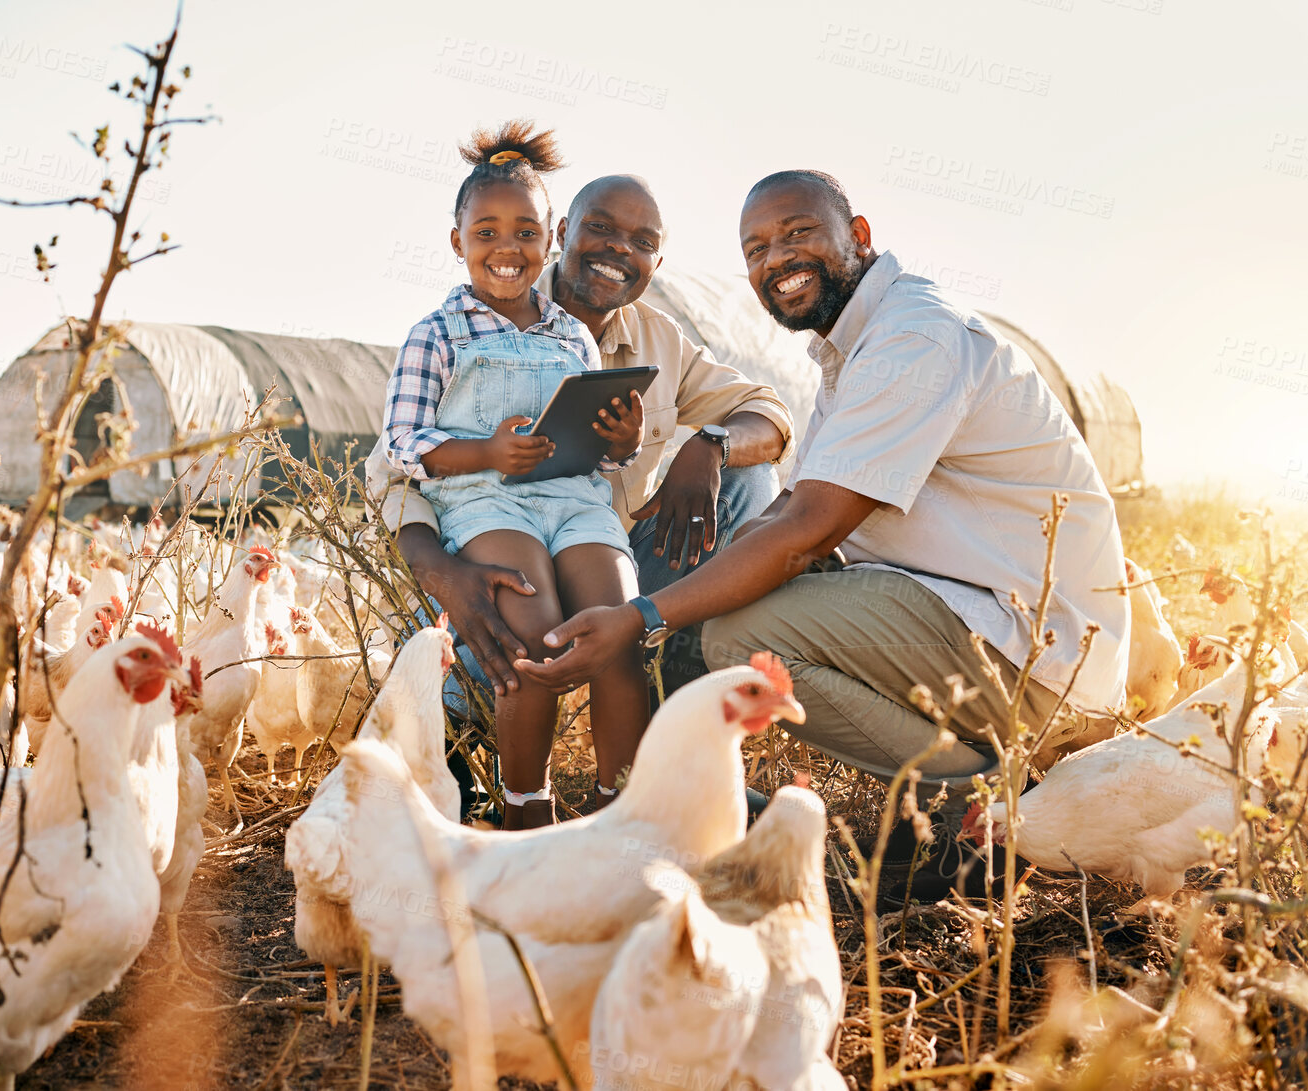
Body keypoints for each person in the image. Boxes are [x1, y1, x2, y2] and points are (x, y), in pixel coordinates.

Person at [516, 170, 1130, 898]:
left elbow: (806, 531)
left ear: (858, 236)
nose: (776, 259)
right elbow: (787, 514)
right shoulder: (850, 351)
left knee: (739, 637)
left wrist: (642, 614)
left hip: (1031, 650)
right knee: (722, 591)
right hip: (968, 613)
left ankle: (978, 808)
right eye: (756, 248)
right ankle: (686, 798)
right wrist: (665, 605)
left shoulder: (914, 338)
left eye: (798, 233)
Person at [370, 170, 796, 817]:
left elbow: (767, 413)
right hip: (480, 542)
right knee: (513, 645)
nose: (617, 249)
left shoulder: (648, 340)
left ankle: (643, 770)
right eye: (599, 228)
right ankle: (498, 782)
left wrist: (701, 445)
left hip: (588, 525)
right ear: (564, 235)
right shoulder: (456, 324)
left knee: (744, 480)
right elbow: (394, 467)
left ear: (657, 258)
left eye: (640, 239)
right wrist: (447, 574)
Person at [379, 121, 651, 830]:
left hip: (574, 499)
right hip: (486, 500)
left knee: (621, 631)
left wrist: (622, 439)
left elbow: (597, 448)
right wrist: (486, 454)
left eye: (525, 232)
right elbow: (404, 443)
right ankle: (525, 808)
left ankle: (619, 809)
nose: (507, 250)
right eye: (487, 233)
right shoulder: (436, 333)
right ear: (457, 241)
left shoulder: (572, 334)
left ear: (551, 238)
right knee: (532, 634)